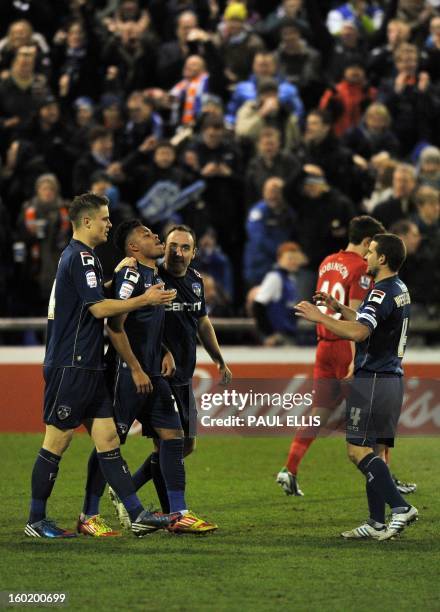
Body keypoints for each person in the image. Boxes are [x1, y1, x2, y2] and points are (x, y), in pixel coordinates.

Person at [25, 192, 179, 538]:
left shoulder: (84, 258)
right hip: (71, 364)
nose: (110, 224)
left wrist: (112, 280)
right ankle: (36, 520)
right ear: (87, 222)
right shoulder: (80, 258)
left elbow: (90, 299)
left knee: (108, 439)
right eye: (106, 219)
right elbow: (97, 310)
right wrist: (145, 298)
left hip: (89, 365)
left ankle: (137, 513)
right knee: (56, 442)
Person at [87, 219, 218, 534]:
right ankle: (89, 513)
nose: (156, 236)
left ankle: (179, 513)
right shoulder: (131, 274)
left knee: (174, 438)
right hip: (127, 372)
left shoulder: (153, 275)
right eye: (147, 235)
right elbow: (115, 326)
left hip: (154, 373)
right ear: (133, 247)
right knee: (110, 441)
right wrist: (134, 367)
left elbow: (146, 326)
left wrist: (162, 351)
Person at [295, 233, 418, 540]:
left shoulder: (379, 293)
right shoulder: (397, 288)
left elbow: (361, 332)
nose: (365, 257)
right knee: (374, 450)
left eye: (371, 252)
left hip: (373, 379)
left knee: (356, 450)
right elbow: (367, 321)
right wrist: (338, 306)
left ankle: (400, 507)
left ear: (383, 259)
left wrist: (320, 317)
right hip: (390, 379)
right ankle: (376, 521)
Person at [253, 241, 307, 346]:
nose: (294, 262)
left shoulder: (290, 279)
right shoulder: (275, 277)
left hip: (288, 334)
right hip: (278, 337)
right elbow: (258, 306)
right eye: (290, 258)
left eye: (296, 259)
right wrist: (269, 334)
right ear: (279, 259)